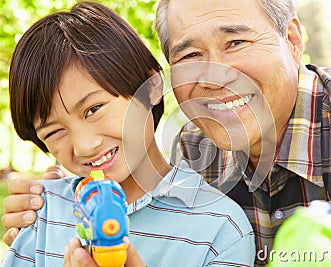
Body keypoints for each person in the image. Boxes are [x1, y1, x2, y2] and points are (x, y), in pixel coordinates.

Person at [4, 0, 331, 266]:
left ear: (293, 40)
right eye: (190, 55)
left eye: (236, 41)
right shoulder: (193, 150)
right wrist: (53, 197)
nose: (214, 76)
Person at [1, 2, 255, 266]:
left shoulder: (220, 229)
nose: (85, 146)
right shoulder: (40, 214)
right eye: (54, 132)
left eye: (94, 109)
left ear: (152, 86)